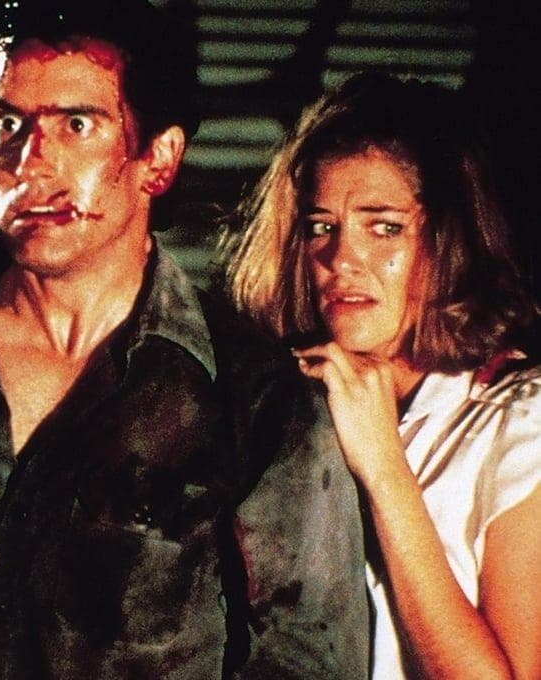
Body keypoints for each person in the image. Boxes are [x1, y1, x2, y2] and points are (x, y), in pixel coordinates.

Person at [0, 1, 370, 677]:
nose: (32, 163)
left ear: (158, 158)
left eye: (77, 125)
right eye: (7, 123)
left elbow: (310, 660)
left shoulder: (254, 395)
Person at [226, 72, 541, 679]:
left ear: (448, 241)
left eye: (384, 227)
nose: (341, 260)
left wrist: (384, 466)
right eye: (321, 227)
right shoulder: (272, 406)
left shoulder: (519, 421)